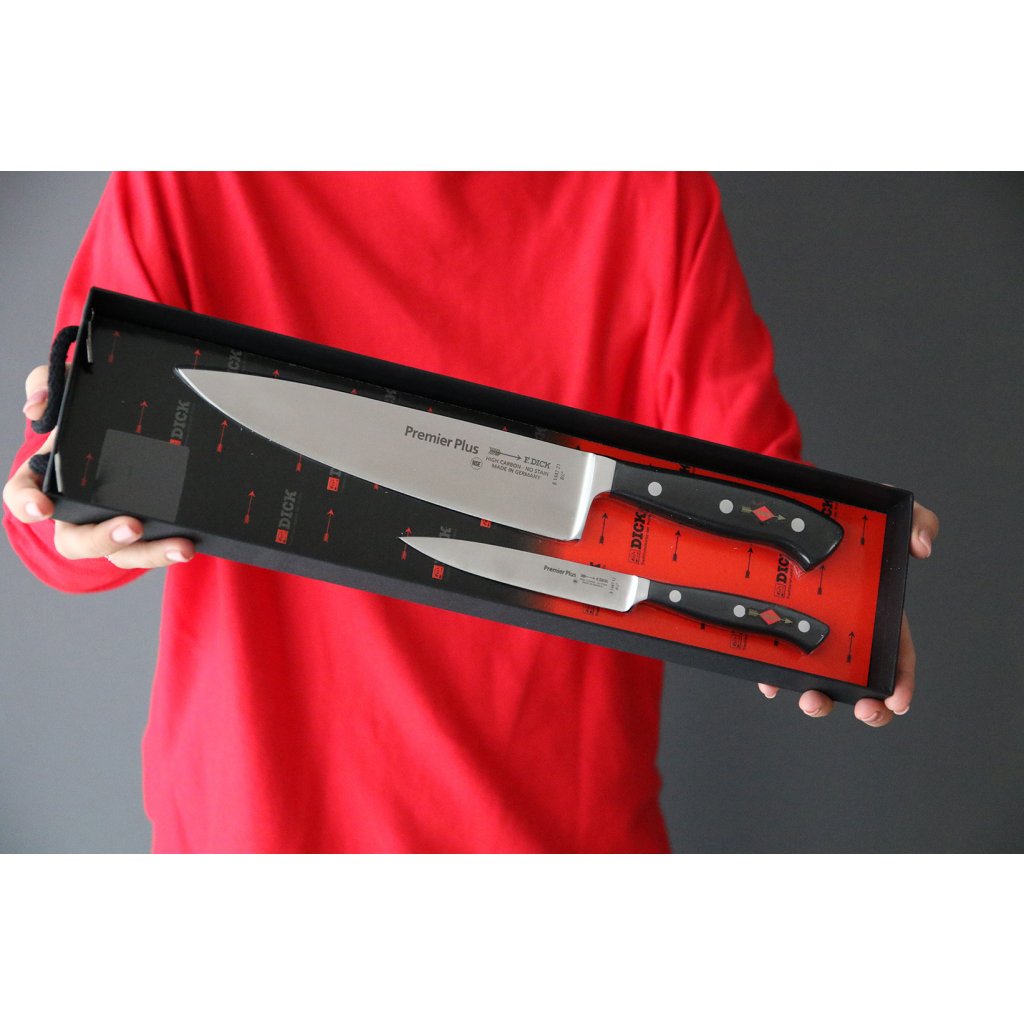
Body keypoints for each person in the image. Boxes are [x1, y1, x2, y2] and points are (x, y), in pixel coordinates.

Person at [3, 172, 939, 853]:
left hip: (550, 849)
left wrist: (851, 593)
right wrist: (66, 511)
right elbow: (45, 527)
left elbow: (757, 483)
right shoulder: (194, 172)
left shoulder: (642, 188)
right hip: (251, 835)